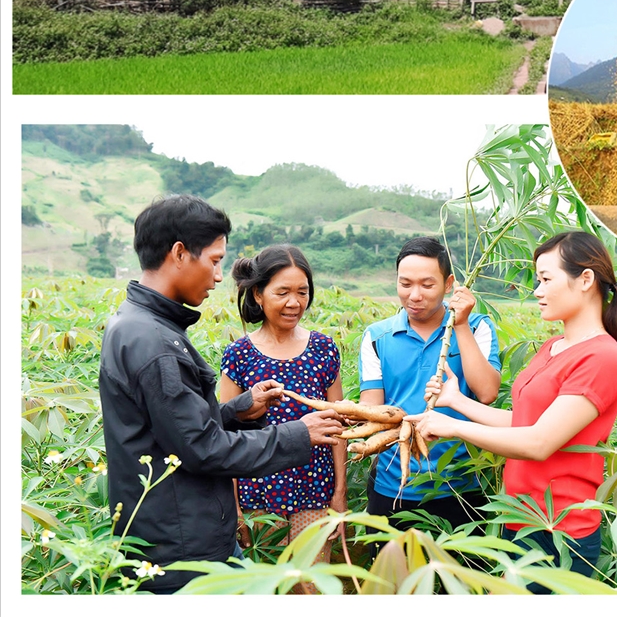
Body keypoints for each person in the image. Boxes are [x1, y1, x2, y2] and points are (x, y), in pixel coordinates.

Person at [99, 196, 343, 594]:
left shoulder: (140, 326)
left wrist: (238, 410)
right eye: (214, 260)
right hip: (180, 542)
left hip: (181, 528)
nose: (217, 276)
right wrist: (299, 433)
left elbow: (175, 428)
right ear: (179, 253)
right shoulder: (155, 341)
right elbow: (201, 448)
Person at [414, 231, 617, 584]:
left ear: (586, 279)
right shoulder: (553, 347)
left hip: (560, 531)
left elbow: (538, 442)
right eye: (537, 280)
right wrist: (457, 402)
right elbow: (524, 422)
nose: (538, 290)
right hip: (521, 518)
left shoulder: (602, 357)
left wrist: (453, 426)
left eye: (546, 279)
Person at [219, 245, 346, 583]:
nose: (295, 302)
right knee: (263, 590)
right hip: (257, 493)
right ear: (258, 294)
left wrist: (340, 494)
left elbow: (337, 426)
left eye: (302, 292)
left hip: (315, 492)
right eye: (283, 292)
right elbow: (225, 434)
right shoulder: (239, 354)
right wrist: (233, 510)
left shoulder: (323, 348)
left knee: (310, 588)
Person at [357, 237, 503, 529]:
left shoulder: (478, 327)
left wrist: (460, 324)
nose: (414, 295)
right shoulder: (377, 336)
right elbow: (371, 409)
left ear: (449, 284)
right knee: (393, 573)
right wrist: (401, 427)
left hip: (462, 483)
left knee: (460, 574)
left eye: (427, 285)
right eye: (405, 284)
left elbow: (486, 393)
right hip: (394, 482)